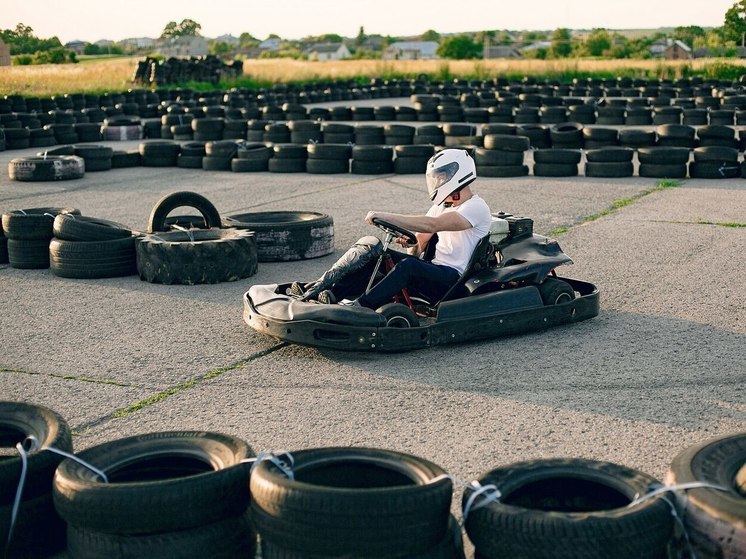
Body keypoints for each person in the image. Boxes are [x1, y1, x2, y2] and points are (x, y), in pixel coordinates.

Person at [294, 148, 492, 309]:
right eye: (437, 178)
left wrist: (384, 215)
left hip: (453, 280)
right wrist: (411, 243)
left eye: (441, 177)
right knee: (378, 256)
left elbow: (432, 224)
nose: (438, 182)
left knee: (409, 267)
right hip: (433, 271)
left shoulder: (476, 207)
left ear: (457, 174)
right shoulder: (441, 206)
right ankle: (327, 292)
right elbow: (418, 248)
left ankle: (360, 307)